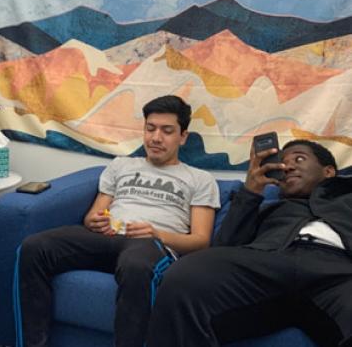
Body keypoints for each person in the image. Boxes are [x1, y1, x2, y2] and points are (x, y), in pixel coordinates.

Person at [17, 95, 220, 347]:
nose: (156, 138)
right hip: (107, 237)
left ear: (183, 136)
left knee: (136, 265)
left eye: (167, 131)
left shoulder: (200, 179)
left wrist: (156, 234)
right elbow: (95, 214)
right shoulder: (121, 165)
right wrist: (94, 221)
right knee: (33, 247)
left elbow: (201, 241)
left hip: (150, 245)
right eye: (150, 128)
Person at [146, 139, 352, 347]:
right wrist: (251, 192)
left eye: (299, 159)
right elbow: (223, 248)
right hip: (267, 263)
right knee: (185, 275)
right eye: (281, 163)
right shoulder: (266, 208)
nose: (287, 166)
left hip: (337, 273)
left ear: (328, 172)